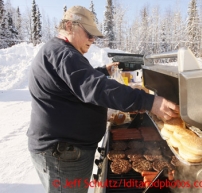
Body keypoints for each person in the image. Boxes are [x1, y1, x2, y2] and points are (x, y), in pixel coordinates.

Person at [27, 5, 179, 193]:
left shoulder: (59, 51)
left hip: (65, 149)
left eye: (94, 35)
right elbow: (95, 87)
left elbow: (74, 80)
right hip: (62, 152)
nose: (92, 39)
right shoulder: (64, 54)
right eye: (88, 33)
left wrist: (101, 72)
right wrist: (149, 102)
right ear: (69, 26)